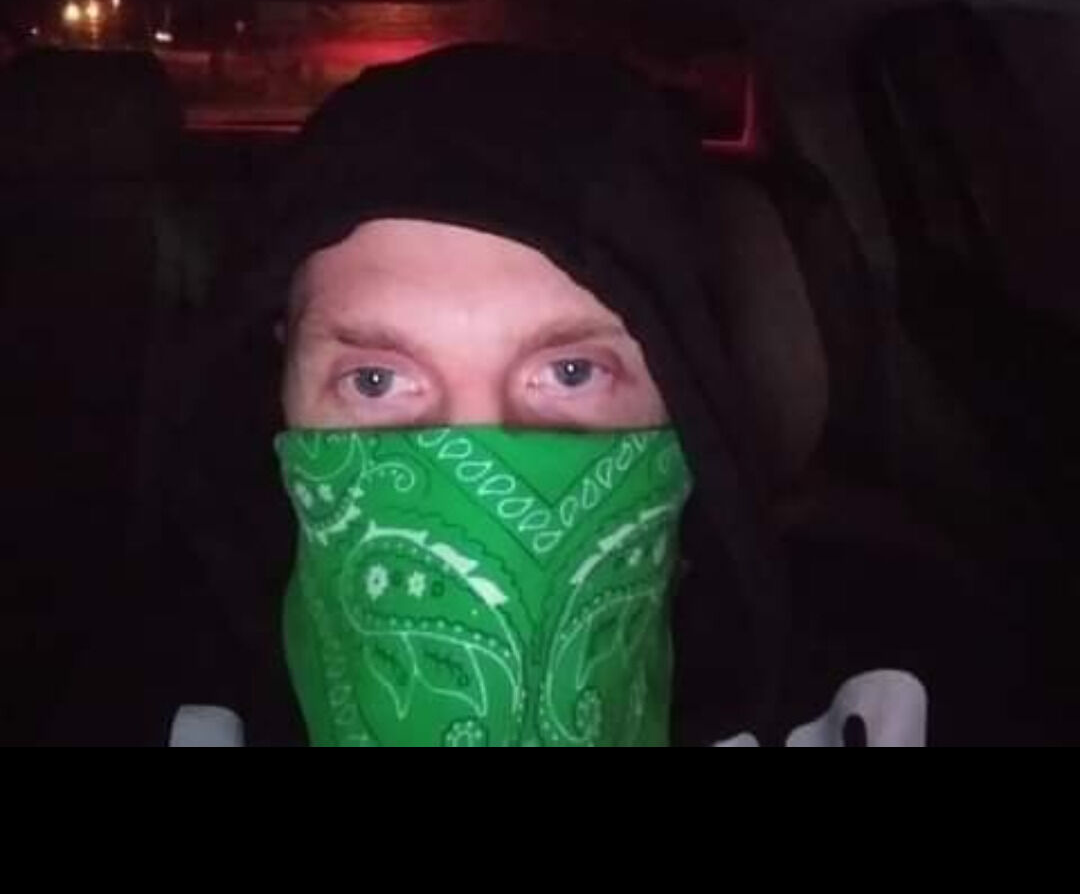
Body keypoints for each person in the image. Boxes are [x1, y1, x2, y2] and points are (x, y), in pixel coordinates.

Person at [138, 42, 1049, 747]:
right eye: (376, 380)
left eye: (571, 372)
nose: (481, 462)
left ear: (688, 386)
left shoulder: (901, 677)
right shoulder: (138, 672)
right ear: (279, 386)